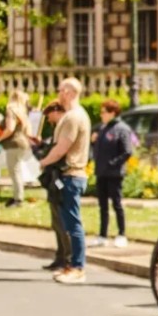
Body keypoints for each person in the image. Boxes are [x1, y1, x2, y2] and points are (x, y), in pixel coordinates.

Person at [38, 78, 91, 284]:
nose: (58, 93)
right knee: (69, 224)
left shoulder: (73, 117)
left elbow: (62, 148)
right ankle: (72, 265)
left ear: (69, 92)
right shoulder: (73, 115)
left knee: (73, 225)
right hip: (70, 176)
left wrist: (43, 162)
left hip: (71, 175)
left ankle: (78, 267)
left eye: (60, 90)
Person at [30, 101, 72, 272]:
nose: (48, 120)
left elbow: (57, 152)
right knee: (56, 221)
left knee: (62, 221)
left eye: (49, 115)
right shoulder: (59, 128)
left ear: (56, 111)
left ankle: (68, 258)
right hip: (54, 178)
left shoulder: (66, 126)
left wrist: (42, 153)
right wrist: (39, 147)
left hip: (62, 177)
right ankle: (60, 256)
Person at [92, 100, 134, 248]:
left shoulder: (121, 129)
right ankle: (102, 234)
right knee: (102, 205)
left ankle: (121, 233)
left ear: (112, 113)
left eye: (104, 112)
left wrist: (113, 163)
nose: (101, 115)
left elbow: (127, 151)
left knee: (117, 204)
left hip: (114, 174)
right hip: (101, 173)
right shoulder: (103, 128)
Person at [0, 89, 31, 207]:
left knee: (14, 171)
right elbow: (28, 131)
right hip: (22, 143)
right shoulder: (22, 112)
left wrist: (0, 138)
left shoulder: (11, 110)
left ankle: (18, 199)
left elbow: (10, 128)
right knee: (17, 171)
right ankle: (17, 196)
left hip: (13, 143)